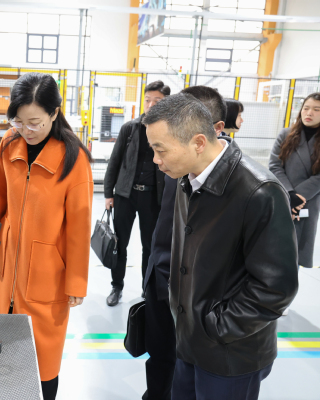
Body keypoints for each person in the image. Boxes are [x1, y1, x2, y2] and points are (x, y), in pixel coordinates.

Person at [144, 93, 298, 400]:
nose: (155, 160)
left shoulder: (259, 192)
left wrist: (216, 327)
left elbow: (276, 288)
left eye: (161, 150)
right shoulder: (188, 178)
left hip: (230, 353)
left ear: (198, 143)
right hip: (189, 339)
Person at [0, 73, 93, 400]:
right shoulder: (9, 144)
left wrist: (76, 281)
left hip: (48, 275)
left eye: (35, 122)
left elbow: (79, 226)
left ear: (54, 112)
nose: (26, 130)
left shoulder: (74, 158)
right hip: (8, 269)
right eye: (19, 121)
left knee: (43, 362)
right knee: (0, 354)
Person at [140, 85, 228, 400]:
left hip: (200, 300)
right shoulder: (173, 163)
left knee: (188, 369)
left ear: (211, 131)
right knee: (159, 356)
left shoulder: (238, 184)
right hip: (161, 276)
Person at [102, 80, 170, 306]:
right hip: (125, 195)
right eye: (148, 100)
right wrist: (108, 194)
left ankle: (146, 289)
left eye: (157, 101)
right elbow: (114, 161)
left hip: (153, 198)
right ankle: (116, 286)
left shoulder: (170, 132)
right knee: (119, 244)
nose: (151, 105)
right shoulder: (129, 129)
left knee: (150, 246)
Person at [269, 92, 320, 268]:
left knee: (295, 253)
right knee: (273, 249)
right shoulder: (286, 134)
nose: (309, 113)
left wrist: (299, 195)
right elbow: (274, 166)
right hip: (283, 197)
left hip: (308, 201)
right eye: (306, 108)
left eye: (316, 109)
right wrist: (290, 193)